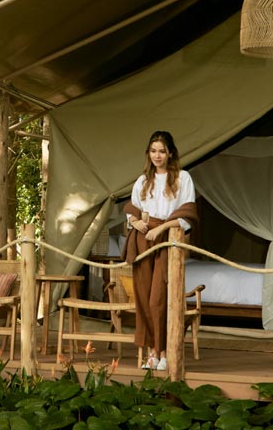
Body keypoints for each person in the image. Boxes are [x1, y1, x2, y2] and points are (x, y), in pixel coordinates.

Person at [122, 131, 198, 371]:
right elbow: (132, 209)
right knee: (144, 298)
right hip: (143, 239)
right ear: (148, 153)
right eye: (153, 151)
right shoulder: (142, 181)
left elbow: (187, 215)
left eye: (162, 151)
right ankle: (153, 354)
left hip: (167, 239)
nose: (157, 156)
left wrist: (161, 229)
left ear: (170, 153)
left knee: (159, 298)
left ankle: (165, 351)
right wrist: (135, 222)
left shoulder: (183, 178)